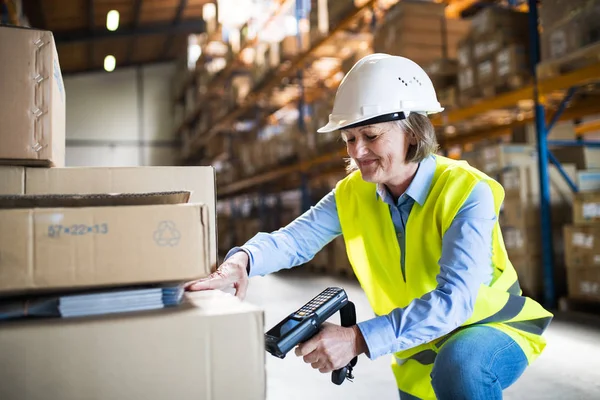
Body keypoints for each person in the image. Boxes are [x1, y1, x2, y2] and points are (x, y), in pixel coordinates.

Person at [186, 53, 553, 400]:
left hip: (488, 329)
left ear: (412, 131)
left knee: (461, 366)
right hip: (416, 347)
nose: (357, 152)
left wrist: (358, 339)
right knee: (445, 370)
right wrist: (241, 261)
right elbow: (295, 239)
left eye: (371, 136)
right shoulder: (353, 193)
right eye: (349, 139)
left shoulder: (466, 191)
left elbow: (455, 301)